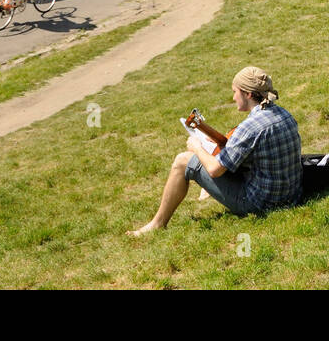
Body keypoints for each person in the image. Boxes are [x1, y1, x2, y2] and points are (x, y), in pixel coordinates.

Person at [129, 66, 303, 233]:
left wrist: (197, 147)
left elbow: (215, 170)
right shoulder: (283, 113)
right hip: (292, 195)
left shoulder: (249, 127)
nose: (233, 97)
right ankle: (205, 191)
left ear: (248, 94)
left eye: (235, 92)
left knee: (183, 160)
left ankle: (157, 224)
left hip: (262, 204)